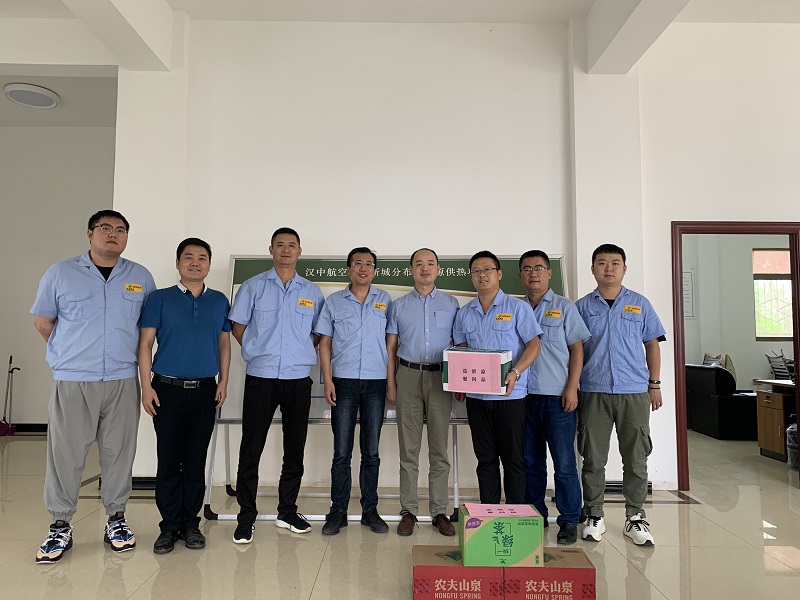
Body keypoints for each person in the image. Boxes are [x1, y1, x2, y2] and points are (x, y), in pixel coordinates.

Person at [30, 210, 156, 563]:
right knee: (66, 454)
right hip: (74, 380)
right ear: (90, 233)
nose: (113, 234)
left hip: (121, 378)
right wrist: (72, 353)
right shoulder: (61, 273)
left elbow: (147, 329)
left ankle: (116, 519)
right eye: (105, 228)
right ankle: (60, 524)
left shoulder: (140, 277)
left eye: (120, 230)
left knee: (119, 452)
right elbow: (43, 321)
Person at [228, 227, 324, 543]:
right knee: (251, 448)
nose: (286, 250)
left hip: (298, 379)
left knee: (294, 449)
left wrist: (297, 353)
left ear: (299, 251)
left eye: (291, 245)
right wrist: (256, 349)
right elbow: (238, 326)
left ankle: (287, 511)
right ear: (270, 250)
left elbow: (318, 333)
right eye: (280, 245)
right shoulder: (253, 286)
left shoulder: (312, 292)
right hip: (261, 377)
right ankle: (246, 516)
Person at [138, 238, 232, 554]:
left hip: (205, 390)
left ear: (209, 264)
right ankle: (168, 527)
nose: (195, 262)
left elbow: (224, 344)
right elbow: (145, 343)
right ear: (178, 263)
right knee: (168, 460)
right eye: (188, 257)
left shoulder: (219, 301)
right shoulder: (159, 299)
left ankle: (191, 524)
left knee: (195, 460)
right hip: (166, 390)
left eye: (202, 257)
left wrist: (224, 380)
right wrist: (146, 386)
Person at [575, 243, 665, 546]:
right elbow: (574, 351)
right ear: (593, 269)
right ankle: (594, 515)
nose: (609, 268)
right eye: (602, 263)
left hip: (634, 392)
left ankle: (635, 516)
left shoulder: (640, 304)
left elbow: (652, 344)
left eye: (615, 263)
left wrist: (654, 384)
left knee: (636, 458)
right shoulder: (582, 307)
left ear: (624, 269)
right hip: (593, 391)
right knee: (592, 458)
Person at [452, 251, 542, 504]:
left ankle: (515, 513)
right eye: (476, 271)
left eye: (487, 270)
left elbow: (534, 345)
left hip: (510, 396)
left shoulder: (518, 308)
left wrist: (515, 372)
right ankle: (489, 513)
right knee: (485, 459)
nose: (482, 275)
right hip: (477, 398)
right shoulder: (464, 313)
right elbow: (460, 349)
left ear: (499, 274)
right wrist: (458, 381)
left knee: (513, 459)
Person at [316, 248, 392, 535]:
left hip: (376, 382)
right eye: (357, 263)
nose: (363, 268)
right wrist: (327, 379)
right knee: (341, 452)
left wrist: (391, 381)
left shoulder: (385, 300)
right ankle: (338, 511)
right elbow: (325, 343)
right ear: (348, 269)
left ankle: (370, 511)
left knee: (371, 452)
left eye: (369, 264)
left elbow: (391, 343)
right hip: (343, 381)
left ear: (374, 270)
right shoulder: (334, 301)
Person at [386, 248, 460, 537]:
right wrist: (391, 383)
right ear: (411, 270)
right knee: (409, 449)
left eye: (430, 264)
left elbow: (460, 346)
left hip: (441, 378)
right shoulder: (399, 306)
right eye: (419, 264)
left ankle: (439, 511)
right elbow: (391, 348)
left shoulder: (451, 303)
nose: (425, 268)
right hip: (407, 376)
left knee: (439, 449)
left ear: (438, 269)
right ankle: (408, 511)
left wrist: (459, 383)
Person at [518, 250, 590, 545]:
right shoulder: (516, 308)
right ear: (520, 276)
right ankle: (534, 515)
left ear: (549, 273)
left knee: (564, 463)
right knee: (530, 462)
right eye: (527, 269)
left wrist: (572, 387)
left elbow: (577, 349)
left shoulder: (564, 307)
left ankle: (569, 519)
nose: (533, 273)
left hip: (557, 398)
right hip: (522, 397)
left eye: (539, 268)